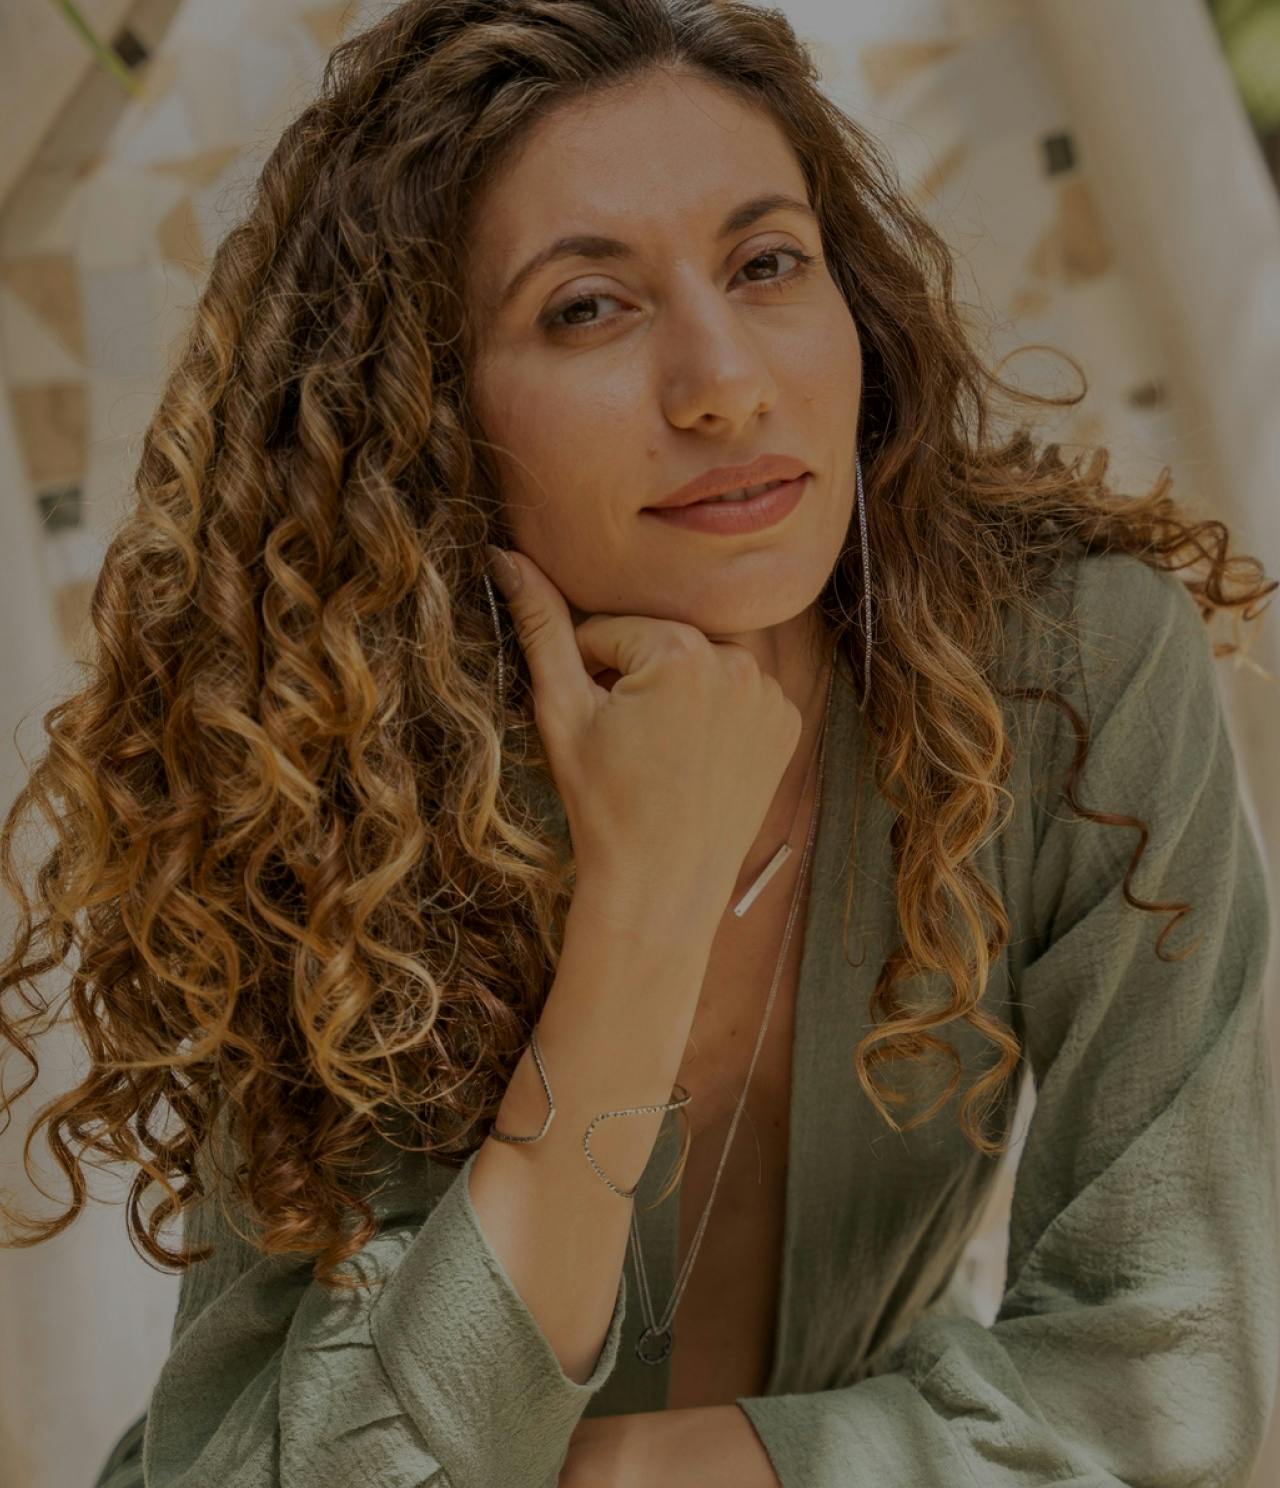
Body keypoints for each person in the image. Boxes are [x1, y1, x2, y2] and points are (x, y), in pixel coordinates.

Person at [1, 2, 1276, 1486]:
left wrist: (643, 1477)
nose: (725, 381)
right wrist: (643, 906)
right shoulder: (333, 770)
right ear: (425, 415)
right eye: (587, 308)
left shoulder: (1069, 670)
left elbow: (1175, 1380)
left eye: (766, 263)